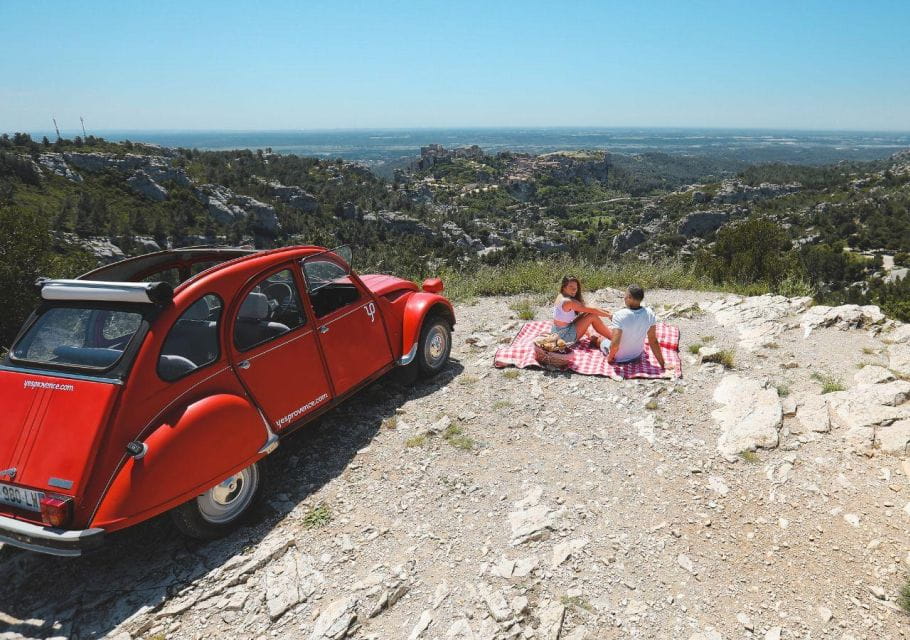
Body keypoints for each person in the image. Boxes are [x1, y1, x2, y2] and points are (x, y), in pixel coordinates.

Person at [597, 285, 665, 368]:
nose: (624, 298)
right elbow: (653, 341)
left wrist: (610, 358)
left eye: (625, 295)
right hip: (637, 355)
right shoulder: (650, 313)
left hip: (620, 358)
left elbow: (615, 345)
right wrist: (662, 364)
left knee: (598, 338)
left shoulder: (619, 315)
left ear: (629, 297)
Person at [551, 275, 613, 345]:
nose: (574, 290)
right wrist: (610, 315)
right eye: (571, 287)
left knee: (587, 314)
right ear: (564, 287)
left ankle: (604, 336)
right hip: (564, 337)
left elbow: (590, 308)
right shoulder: (568, 301)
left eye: (575, 287)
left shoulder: (560, 296)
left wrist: (607, 312)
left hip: (557, 332)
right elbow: (593, 310)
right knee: (592, 316)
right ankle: (612, 338)